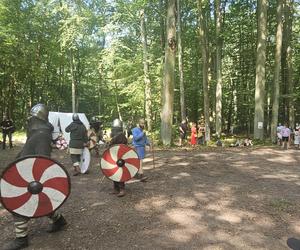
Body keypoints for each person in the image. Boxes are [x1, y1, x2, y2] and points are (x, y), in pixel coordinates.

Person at [3, 104, 67, 250]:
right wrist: (14, 165)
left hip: (33, 177)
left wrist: (34, 178)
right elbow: (27, 153)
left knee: (18, 204)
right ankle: (60, 220)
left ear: (37, 118)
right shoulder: (37, 132)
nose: (29, 120)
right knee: (42, 201)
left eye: (32, 117)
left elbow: (42, 161)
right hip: (27, 173)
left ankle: (21, 239)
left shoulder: (42, 134)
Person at [109, 119, 128, 197]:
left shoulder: (121, 135)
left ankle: (122, 189)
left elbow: (123, 147)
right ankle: (115, 188)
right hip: (114, 156)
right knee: (114, 172)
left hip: (120, 157)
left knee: (120, 173)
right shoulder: (115, 135)